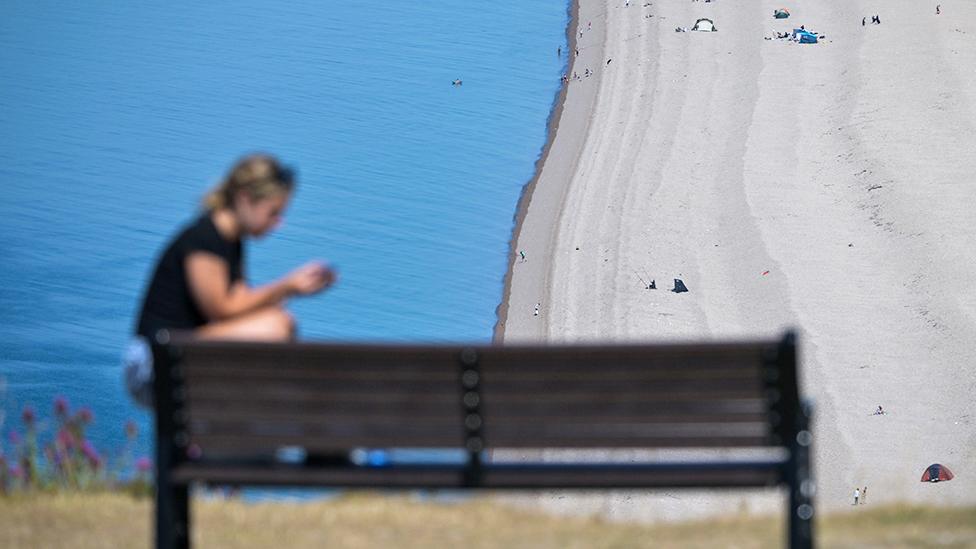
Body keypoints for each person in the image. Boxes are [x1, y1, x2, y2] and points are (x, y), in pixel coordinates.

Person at [125, 154, 337, 405]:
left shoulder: (231, 242)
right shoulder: (204, 239)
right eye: (273, 213)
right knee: (277, 325)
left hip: (176, 352)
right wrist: (286, 286)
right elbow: (222, 309)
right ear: (245, 198)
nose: (278, 223)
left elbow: (239, 305)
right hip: (153, 361)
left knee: (278, 323)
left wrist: (289, 291)